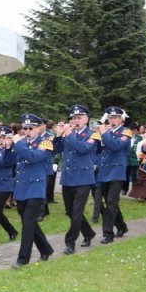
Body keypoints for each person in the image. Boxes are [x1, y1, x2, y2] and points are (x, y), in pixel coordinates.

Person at [52, 105, 100, 253]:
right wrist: (59, 135)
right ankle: (89, 233)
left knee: (77, 211)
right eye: (73, 118)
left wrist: (69, 134)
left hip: (84, 178)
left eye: (79, 117)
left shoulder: (93, 135)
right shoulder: (68, 134)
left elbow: (83, 149)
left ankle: (70, 243)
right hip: (67, 177)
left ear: (86, 119)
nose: (75, 120)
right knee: (70, 211)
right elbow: (54, 149)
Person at [11, 114, 54, 268]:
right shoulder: (21, 143)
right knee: (28, 223)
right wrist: (7, 146)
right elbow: (10, 162)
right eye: (25, 128)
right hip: (22, 187)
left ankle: (23, 259)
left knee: (28, 223)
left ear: (38, 129)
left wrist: (17, 145)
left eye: (31, 128)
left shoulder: (45, 143)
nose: (27, 131)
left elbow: (34, 157)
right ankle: (46, 249)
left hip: (35, 188)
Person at [96, 107, 131, 244]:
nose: (112, 120)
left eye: (116, 117)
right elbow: (99, 149)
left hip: (117, 171)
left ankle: (108, 234)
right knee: (110, 202)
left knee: (111, 202)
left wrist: (104, 134)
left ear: (121, 119)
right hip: (104, 171)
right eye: (110, 117)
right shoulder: (106, 131)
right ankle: (121, 226)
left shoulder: (126, 132)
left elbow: (115, 146)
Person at [0, 125, 18, 242]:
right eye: (0, 137)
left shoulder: (11, 150)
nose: (2, 139)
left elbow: (4, 163)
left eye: (5, 137)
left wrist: (6, 148)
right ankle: (11, 230)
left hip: (4, 185)